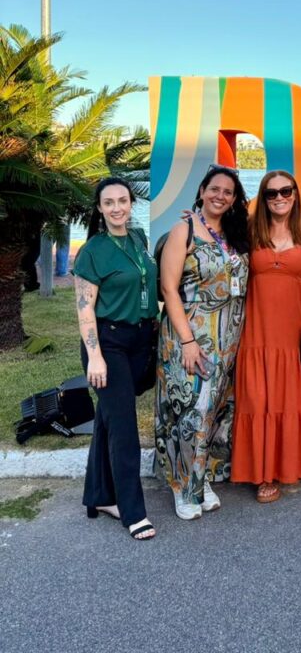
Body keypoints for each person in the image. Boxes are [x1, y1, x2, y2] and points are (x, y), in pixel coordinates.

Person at [155, 165, 249, 520]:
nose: (220, 196)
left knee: (215, 410)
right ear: (201, 191)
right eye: (214, 189)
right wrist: (188, 342)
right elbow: (169, 289)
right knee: (189, 411)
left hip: (228, 339)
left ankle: (201, 477)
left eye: (228, 192)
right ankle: (182, 486)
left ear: (235, 199)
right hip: (191, 335)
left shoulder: (235, 233)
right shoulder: (185, 230)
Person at [73, 177, 159, 540]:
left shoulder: (138, 239)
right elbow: (84, 309)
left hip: (140, 340)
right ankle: (133, 512)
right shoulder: (92, 251)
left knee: (109, 418)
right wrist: (95, 357)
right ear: (99, 208)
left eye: (122, 200)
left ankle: (100, 497)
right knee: (124, 426)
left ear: (131, 203)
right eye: (108, 202)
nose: (117, 208)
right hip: (108, 344)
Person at [231, 171, 301, 503]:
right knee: (256, 397)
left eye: (286, 191)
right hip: (255, 327)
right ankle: (260, 472)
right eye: (271, 193)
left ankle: (280, 469)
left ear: (295, 193)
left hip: (290, 328)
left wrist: (288, 286)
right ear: (263, 198)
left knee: (285, 398)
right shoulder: (250, 230)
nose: (279, 198)